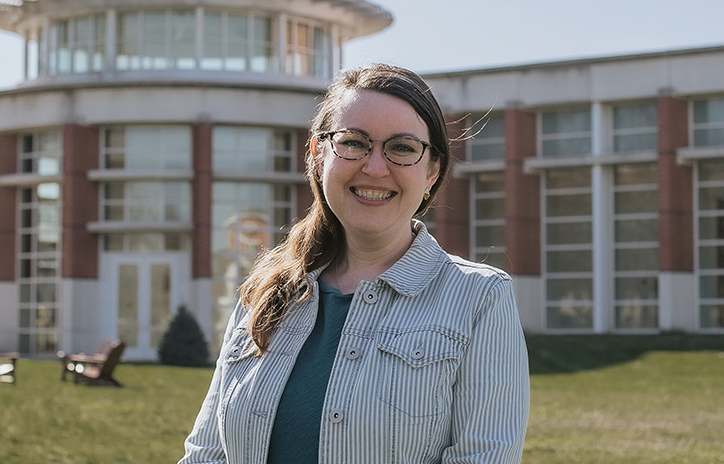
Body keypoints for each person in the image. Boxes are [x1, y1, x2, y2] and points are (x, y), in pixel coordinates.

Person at [179, 64, 530, 464]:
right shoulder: (265, 293)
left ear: (432, 170)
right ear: (316, 153)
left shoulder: (480, 299)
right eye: (354, 142)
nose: (375, 167)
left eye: (402, 147)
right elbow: (206, 456)